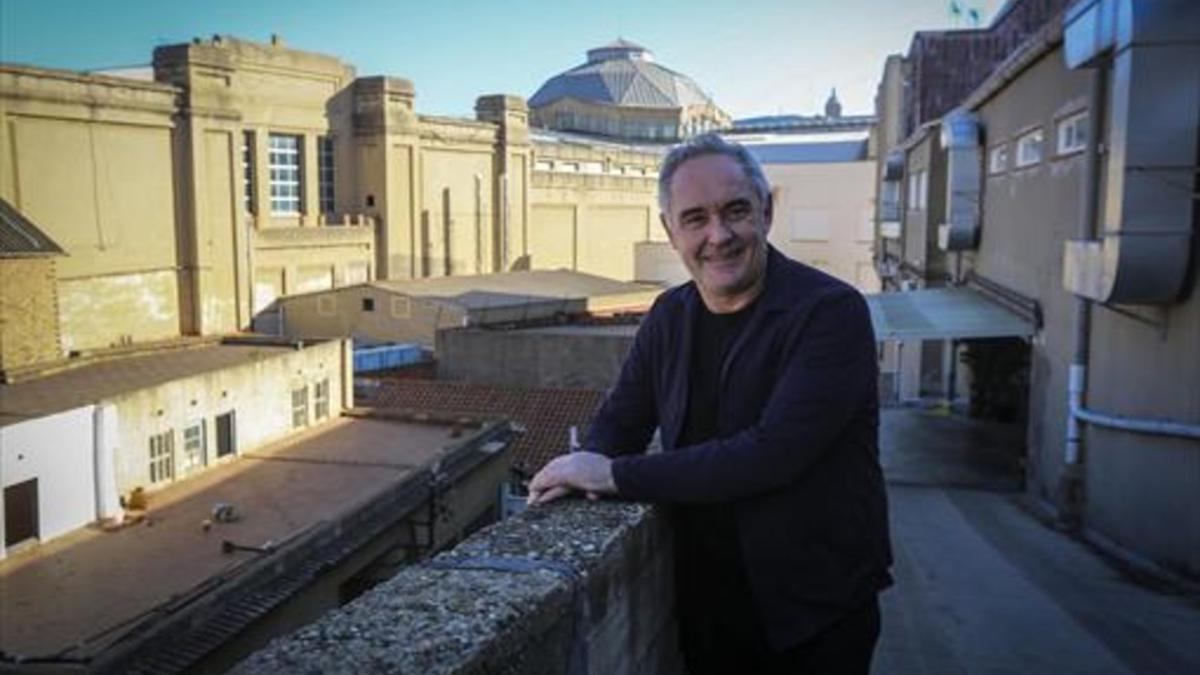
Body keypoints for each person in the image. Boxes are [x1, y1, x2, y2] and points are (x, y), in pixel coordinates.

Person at [527, 133, 892, 674]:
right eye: (695, 218)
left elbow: (771, 454)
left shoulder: (830, 313)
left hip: (815, 612)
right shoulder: (669, 315)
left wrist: (612, 474)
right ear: (669, 230)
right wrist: (576, 471)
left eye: (735, 211)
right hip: (708, 606)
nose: (718, 236)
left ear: (767, 212)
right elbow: (622, 418)